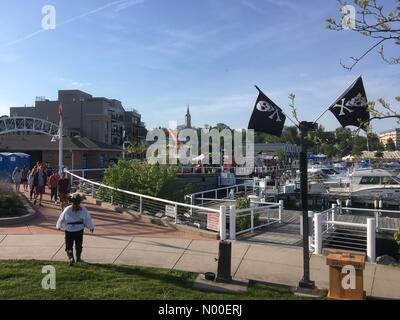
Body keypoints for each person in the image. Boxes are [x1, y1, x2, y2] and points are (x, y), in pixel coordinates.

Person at [56, 193, 94, 266]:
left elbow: (62, 218)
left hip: (69, 230)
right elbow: (87, 218)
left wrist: (59, 226)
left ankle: (71, 258)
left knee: (69, 246)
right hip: (79, 230)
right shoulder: (83, 209)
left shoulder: (67, 209)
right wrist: (90, 226)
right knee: (79, 245)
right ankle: (78, 258)